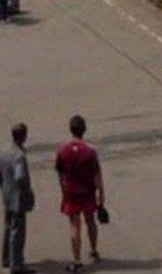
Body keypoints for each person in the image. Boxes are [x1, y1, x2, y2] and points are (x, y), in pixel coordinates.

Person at [54, 113, 103, 270]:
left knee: (75, 226)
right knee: (90, 221)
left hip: (71, 192)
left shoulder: (62, 150)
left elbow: (60, 174)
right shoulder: (90, 151)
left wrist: (63, 191)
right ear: (84, 130)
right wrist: (101, 193)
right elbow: (97, 174)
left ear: (71, 130)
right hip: (88, 191)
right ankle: (94, 250)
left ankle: (76, 260)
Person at [0, 122, 34, 273]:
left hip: (7, 195)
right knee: (17, 232)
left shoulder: (4, 151)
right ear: (24, 136)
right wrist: (28, 192)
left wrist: (4, 189)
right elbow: (20, 177)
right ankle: (17, 264)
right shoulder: (19, 156)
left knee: (8, 228)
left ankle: (6, 259)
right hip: (17, 199)